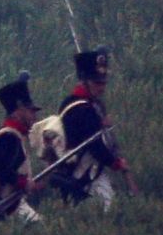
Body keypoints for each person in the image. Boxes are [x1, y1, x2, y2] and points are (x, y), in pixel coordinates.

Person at [51, 47, 135, 209]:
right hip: (80, 173)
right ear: (85, 81)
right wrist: (115, 163)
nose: (101, 87)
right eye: (97, 82)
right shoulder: (81, 108)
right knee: (105, 209)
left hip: (90, 171)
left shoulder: (92, 105)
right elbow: (94, 145)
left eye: (103, 82)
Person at [0, 72, 41, 222]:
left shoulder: (14, 135)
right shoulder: (8, 136)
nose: (34, 117)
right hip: (5, 204)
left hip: (12, 202)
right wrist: (22, 182)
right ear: (18, 111)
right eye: (30, 111)